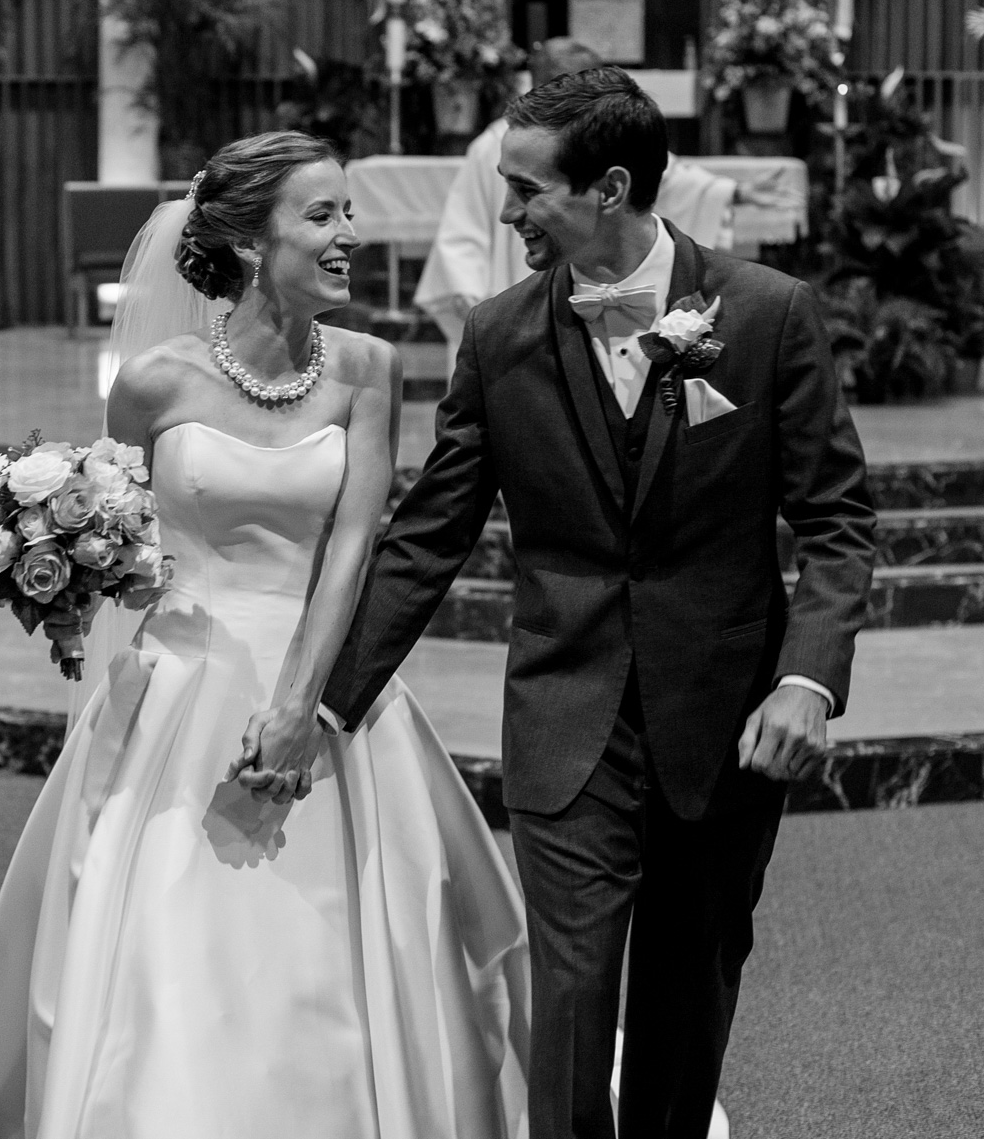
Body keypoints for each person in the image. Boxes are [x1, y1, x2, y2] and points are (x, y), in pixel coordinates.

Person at [318, 68, 877, 1139]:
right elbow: (428, 533)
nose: (507, 211)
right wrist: (326, 703)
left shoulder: (765, 316)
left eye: (526, 190)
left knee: (689, 981)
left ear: (608, 187)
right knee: (570, 995)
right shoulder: (496, 336)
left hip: (722, 721)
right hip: (564, 712)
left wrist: (806, 676)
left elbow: (837, 520)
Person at [0, 131, 530, 1139]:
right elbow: (113, 512)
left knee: (341, 941)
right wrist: (61, 579)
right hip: (177, 679)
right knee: (165, 938)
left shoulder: (368, 368)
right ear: (253, 243)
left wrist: (302, 707)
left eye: (349, 211)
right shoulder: (154, 381)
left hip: (321, 681)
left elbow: (355, 547)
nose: (351, 233)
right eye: (323, 215)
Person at [415, 39, 736, 371]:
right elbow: (463, 234)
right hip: (518, 316)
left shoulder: (609, 139)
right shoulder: (493, 145)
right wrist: (483, 317)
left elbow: (668, 174)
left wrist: (731, 191)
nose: (508, 213)